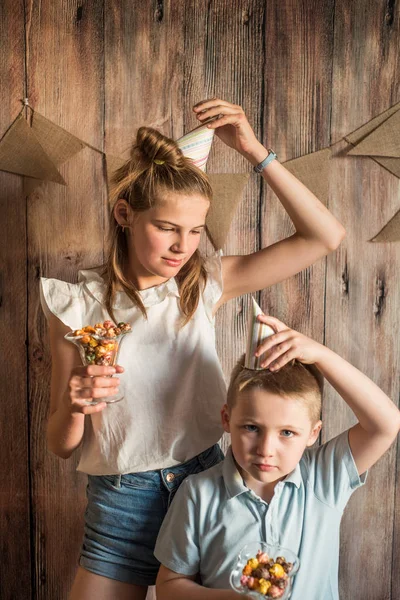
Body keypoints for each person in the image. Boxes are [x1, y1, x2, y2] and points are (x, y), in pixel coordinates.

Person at [40, 98, 345, 600]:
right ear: (125, 214)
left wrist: (253, 150)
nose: (183, 246)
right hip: (123, 499)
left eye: (195, 231)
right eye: (166, 227)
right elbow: (61, 444)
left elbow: (325, 237)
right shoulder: (76, 305)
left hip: (208, 485)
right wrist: (77, 402)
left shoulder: (204, 285)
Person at [154, 314, 400, 600]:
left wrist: (320, 354)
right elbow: (169, 586)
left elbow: (386, 424)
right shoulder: (198, 493)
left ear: (312, 433)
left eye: (287, 433)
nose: (266, 449)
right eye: (251, 428)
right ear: (226, 419)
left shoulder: (323, 477)